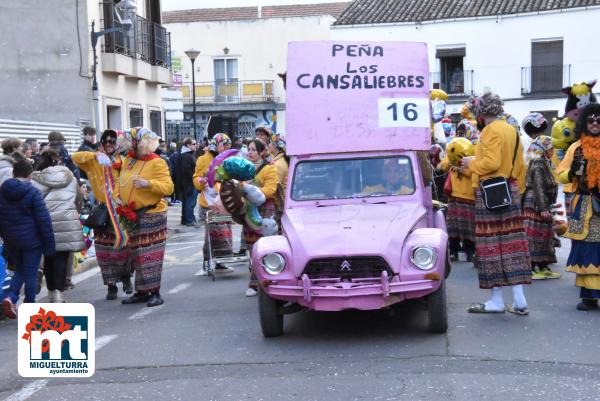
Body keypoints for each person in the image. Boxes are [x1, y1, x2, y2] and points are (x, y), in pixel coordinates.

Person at [461, 93, 531, 315]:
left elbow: (490, 163)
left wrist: (471, 163)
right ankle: (519, 300)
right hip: (509, 189)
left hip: (489, 191)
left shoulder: (490, 131)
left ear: (480, 113)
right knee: (513, 244)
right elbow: (520, 164)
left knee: (490, 246)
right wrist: (516, 191)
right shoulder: (511, 129)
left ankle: (496, 300)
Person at [115, 127, 173, 307]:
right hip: (130, 214)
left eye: (129, 142)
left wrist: (149, 184)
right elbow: (120, 181)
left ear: (139, 143)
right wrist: (117, 194)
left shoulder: (157, 162)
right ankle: (141, 291)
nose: (126, 146)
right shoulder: (130, 160)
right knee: (136, 255)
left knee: (150, 255)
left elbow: (168, 188)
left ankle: (155, 292)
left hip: (151, 215)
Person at [72, 129, 132, 298]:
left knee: (123, 248)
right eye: (106, 143)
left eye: (112, 142)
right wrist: (94, 156)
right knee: (105, 252)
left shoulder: (126, 161)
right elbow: (74, 157)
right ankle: (111, 286)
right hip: (104, 210)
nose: (109, 146)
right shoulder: (95, 161)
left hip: (121, 209)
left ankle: (127, 279)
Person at [557, 103, 600, 311]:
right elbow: (561, 174)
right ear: (584, 122)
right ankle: (589, 297)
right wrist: (572, 171)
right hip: (584, 205)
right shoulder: (575, 148)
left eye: (599, 120)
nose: (595, 124)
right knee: (586, 250)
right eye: (591, 120)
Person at [0, 157, 55, 317]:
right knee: (30, 272)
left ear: (13, 173)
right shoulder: (32, 191)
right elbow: (44, 220)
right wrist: (50, 246)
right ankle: (30, 306)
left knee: (20, 270)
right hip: (32, 241)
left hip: (11, 240)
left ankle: (11, 297)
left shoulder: (2, 191)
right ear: (29, 175)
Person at [31, 149, 85, 303]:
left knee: (49, 257)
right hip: (67, 220)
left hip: (45, 222)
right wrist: (75, 212)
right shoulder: (71, 178)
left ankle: (50, 291)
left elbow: (33, 202)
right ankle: (58, 293)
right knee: (62, 257)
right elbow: (78, 200)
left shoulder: (36, 179)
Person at [243, 139, 279, 297]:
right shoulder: (243, 168)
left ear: (261, 152)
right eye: (248, 149)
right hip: (249, 211)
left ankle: (264, 281)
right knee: (252, 248)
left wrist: (251, 190)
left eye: (253, 150)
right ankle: (255, 281)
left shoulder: (270, 168)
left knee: (265, 246)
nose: (250, 152)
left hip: (265, 210)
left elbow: (271, 189)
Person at [193, 134, 234, 270]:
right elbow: (196, 178)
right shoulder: (203, 159)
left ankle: (221, 260)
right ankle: (209, 259)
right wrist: (201, 181)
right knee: (213, 232)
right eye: (226, 145)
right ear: (219, 145)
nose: (229, 147)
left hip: (224, 200)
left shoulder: (229, 159)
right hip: (209, 201)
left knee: (225, 231)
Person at [522, 135, 559, 280]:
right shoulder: (538, 163)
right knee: (533, 235)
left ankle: (543, 266)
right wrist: (543, 207)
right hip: (536, 202)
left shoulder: (544, 162)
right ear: (544, 148)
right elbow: (538, 186)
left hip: (541, 201)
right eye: (551, 147)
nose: (553, 150)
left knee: (543, 235)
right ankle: (530, 267)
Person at [437, 150, 476, 263]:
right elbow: (440, 167)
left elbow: (471, 172)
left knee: (467, 226)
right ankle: (454, 251)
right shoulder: (451, 158)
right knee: (453, 226)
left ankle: (470, 251)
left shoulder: (471, 159)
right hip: (455, 196)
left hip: (468, 197)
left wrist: (457, 168)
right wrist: (451, 162)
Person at [268, 133, 288, 226]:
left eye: (270, 143)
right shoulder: (278, 161)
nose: (268, 145)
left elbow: (275, 187)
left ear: (275, 146)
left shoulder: (278, 165)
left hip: (279, 205)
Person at [178, 137, 198, 225]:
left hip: (187, 183)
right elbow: (186, 170)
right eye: (193, 144)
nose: (195, 145)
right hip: (189, 183)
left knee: (187, 202)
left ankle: (186, 219)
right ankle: (189, 220)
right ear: (188, 145)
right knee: (190, 202)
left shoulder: (187, 154)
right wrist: (194, 177)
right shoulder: (186, 156)